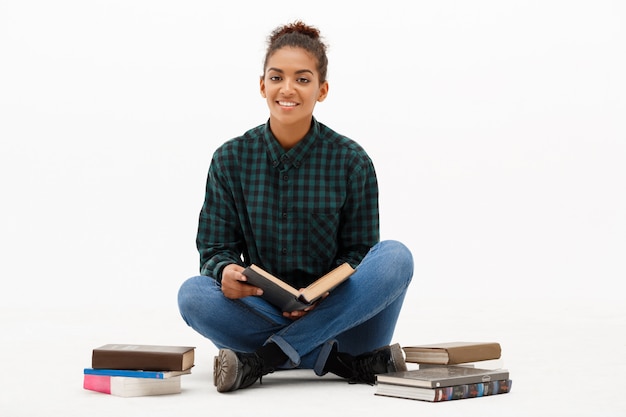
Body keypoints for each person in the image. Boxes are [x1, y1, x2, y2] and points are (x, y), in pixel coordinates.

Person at [177, 21, 414, 393]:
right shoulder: (230, 159)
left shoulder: (351, 160)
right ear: (262, 85)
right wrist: (224, 271)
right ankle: (335, 362)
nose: (287, 89)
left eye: (302, 80)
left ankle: (265, 360)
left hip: (343, 318)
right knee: (193, 294)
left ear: (322, 90)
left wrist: (322, 294)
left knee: (396, 257)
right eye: (277, 77)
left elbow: (361, 255)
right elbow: (214, 250)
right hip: (264, 311)